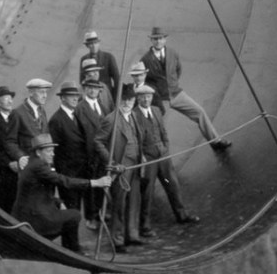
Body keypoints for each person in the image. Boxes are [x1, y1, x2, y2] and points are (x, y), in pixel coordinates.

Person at [12, 133, 112, 254]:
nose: (53, 154)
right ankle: (73, 250)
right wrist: (95, 182)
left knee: (68, 213)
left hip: (29, 214)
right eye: (49, 151)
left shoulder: (34, 163)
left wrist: (58, 202)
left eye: (53, 151)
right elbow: (64, 181)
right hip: (33, 219)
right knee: (74, 215)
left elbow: (37, 192)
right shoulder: (38, 165)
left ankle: (69, 248)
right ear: (38, 152)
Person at [140, 26, 231, 152]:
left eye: (160, 38)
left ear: (165, 39)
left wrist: (173, 84)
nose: (158, 41)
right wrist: (156, 96)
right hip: (161, 99)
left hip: (176, 94)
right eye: (155, 39)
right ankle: (156, 158)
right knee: (156, 126)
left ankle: (216, 141)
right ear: (151, 41)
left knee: (200, 112)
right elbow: (145, 81)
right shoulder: (145, 59)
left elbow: (178, 70)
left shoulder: (172, 53)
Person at [134, 83, 200, 236]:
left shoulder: (156, 110)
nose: (146, 100)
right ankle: (145, 225)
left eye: (148, 96)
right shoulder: (134, 115)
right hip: (148, 159)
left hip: (163, 156)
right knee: (147, 193)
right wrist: (142, 156)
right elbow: (135, 139)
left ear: (152, 97)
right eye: (143, 97)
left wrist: (166, 149)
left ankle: (182, 215)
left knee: (173, 186)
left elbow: (164, 132)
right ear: (138, 98)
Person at [47, 82, 99, 251]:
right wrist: (57, 173)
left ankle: (72, 243)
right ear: (62, 98)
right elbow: (52, 150)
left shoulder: (77, 115)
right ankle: (71, 245)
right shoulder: (56, 120)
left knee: (79, 208)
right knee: (72, 210)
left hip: (83, 170)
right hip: (68, 174)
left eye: (76, 96)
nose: (75, 99)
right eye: (71, 96)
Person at [94, 83, 145, 252]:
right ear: (118, 100)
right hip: (120, 167)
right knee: (119, 204)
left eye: (130, 99)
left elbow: (137, 139)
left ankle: (132, 234)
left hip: (136, 165)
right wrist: (112, 162)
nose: (127, 103)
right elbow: (98, 142)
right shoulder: (110, 119)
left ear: (134, 101)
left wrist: (142, 155)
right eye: (123, 99)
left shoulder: (134, 116)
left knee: (134, 201)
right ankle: (117, 239)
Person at [76, 78, 107, 230]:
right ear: (85, 89)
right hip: (88, 154)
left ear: (99, 90)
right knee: (90, 188)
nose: (92, 90)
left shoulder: (101, 105)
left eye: (95, 88)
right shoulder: (80, 107)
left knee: (101, 184)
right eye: (89, 88)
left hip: (101, 153)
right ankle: (90, 217)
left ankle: (100, 212)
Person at [6, 78, 52, 167]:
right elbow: (10, 142)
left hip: (43, 165)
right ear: (31, 93)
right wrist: (20, 157)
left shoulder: (42, 111)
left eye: (46, 92)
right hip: (28, 166)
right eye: (41, 92)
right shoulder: (17, 113)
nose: (45, 95)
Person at [79, 31, 120, 101]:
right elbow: (82, 80)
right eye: (91, 44)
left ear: (99, 43)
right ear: (87, 46)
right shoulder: (84, 59)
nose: (94, 46)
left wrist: (116, 98)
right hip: (90, 95)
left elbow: (117, 80)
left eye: (95, 43)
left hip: (106, 96)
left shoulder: (108, 57)